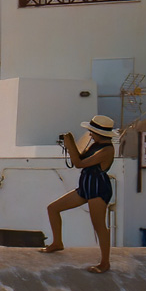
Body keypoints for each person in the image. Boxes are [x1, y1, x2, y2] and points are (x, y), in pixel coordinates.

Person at [43, 115, 117, 273]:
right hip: (86, 186)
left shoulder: (107, 149)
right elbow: (80, 157)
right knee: (53, 208)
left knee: (99, 226)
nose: (90, 134)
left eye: (92, 132)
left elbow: (78, 163)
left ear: (100, 133)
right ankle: (57, 242)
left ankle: (105, 263)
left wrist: (70, 145)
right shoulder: (95, 146)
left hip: (98, 188)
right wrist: (72, 144)